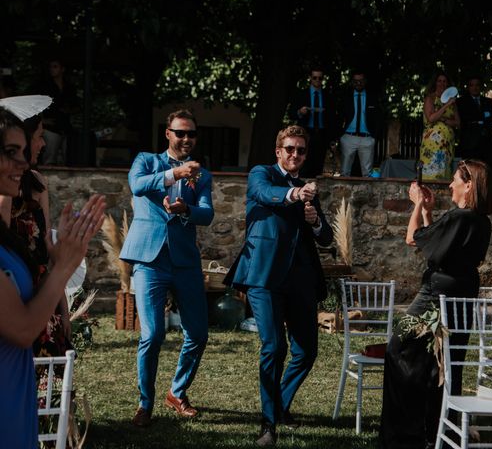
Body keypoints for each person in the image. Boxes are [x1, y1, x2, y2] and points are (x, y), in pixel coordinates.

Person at [0, 108, 105, 449]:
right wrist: (63, 268)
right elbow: (21, 329)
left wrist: (59, 266)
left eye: (22, 150)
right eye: (10, 153)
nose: (23, 162)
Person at [225, 125, 333, 446]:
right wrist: (292, 195)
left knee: (306, 351)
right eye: (289, 149)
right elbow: (262, 194)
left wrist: (315, 222)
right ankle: (268, 422)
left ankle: (280, 404)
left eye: (300, 150)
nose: (295, 155)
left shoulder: (308, 188)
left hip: (301, 278)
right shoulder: (262, 175)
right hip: (265, 276)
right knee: (274, 347)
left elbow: (325, 237)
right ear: (278, 151)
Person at [379, 159, 492, 449]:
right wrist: (431, 214)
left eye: (455, 179)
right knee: (443, 362)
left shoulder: (459, 217)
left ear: (469, 185)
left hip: (432, 297)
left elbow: (413, 239)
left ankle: (403, 434)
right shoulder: (480, 221)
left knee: (397, 348)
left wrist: (418, 205)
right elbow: (442, 250)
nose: (450, 184)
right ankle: (435, 428)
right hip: (461, 293)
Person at [120, 109, 214, 427]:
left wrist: (186, 207)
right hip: (149, 259)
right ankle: (145, 404)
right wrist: (174, 174)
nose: (186, 139)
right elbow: (137, 185)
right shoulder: (147, 160)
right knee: (152, 334)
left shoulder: (201, 173)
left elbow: (207, 213)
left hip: (185, 260)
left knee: (198, 333)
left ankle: (177, 392)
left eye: (191, 134)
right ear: (168, 133)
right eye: (180, 133)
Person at [0, 110, 72, 358]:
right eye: (39, 136)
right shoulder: (5, 194)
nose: (43, 144)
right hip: (22, 300)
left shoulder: (37, 182)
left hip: (42, 290)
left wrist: (63, 309)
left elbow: (46, 246)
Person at [289, 67, 336, 177]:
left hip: (321, 134)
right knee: (303, 164)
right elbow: (291, 114)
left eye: (320, 78)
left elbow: (333, 118)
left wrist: (332, 138)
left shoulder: (327, 96)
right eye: (315, 77)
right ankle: (301, 191)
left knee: (318, 167)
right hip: (305, 133)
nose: (317, 80)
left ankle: (314, 191)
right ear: (310, 78)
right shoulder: (301, 94)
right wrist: (300, 112)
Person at [456, 75, 492, 180]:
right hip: (470, 143)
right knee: (470, 171)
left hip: (487, 142)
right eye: (472, 85)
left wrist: (480, 119)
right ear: (468, 87)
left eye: (477, 85)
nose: (475, 88)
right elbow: (464, 119)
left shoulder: (488, 101)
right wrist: (483, 118)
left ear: (480, 87)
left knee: (489, 171)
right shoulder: (461, 102)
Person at [36, 58, 79, 166]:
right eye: (51, 67)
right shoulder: (44, 86)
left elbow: (77, 105)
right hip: (50, 127)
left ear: (62, 69)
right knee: (49, 157)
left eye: (55, 67)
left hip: (65, 126)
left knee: (66, 158)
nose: (52, 69)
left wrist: (69, 110)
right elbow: (36, 104)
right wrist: (43, 120)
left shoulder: (69, 87)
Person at [419, 71, 460, 181]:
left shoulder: (453, 102)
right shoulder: (430, 98)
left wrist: (443, 119)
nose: (442, 83)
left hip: (447, 144)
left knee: (445, 174)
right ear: (435, 83)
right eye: (439, 81)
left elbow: (457, 123)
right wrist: (446, 105)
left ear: (448, 84)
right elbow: (431, 118)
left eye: (444, 81)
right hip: (432, 144)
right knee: (431, 174)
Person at [338, 71, 380, 177]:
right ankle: (343, 194)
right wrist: (340, 136)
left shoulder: (372, 97)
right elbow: (339, 117)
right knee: (344, 172)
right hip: (348, 136)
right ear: (352, 82)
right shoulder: (346, 97)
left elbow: (378, 118)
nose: (358, 83)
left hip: (367, 138)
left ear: (365, 81)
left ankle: (367, 194)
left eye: (361, 81)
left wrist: (374, 137)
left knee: (368, 174)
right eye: (356, 81)